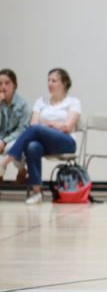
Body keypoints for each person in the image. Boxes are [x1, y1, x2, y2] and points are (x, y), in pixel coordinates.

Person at [0, 68, 81, 204]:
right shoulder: (41, 101)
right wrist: (52, 125)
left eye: (54, 81)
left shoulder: (73, 102)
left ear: (64, 83)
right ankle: (37, 193)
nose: (50, 83)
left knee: (36, 129)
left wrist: (46, 124)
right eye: (48, 80)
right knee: (32, 146)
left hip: (65, 142)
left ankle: (4, 162)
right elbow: (32, 126)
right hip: (45, 143)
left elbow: (66, 127)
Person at [0, 69, 31, 184]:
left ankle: (22, 171)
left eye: (7, 83)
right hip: (1, 138)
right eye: (0, 83)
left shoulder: (23, 104)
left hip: (16, 138)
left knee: (10, 148)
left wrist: (4, 141)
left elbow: (22, 129)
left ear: (14, 84)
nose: (3, 86)